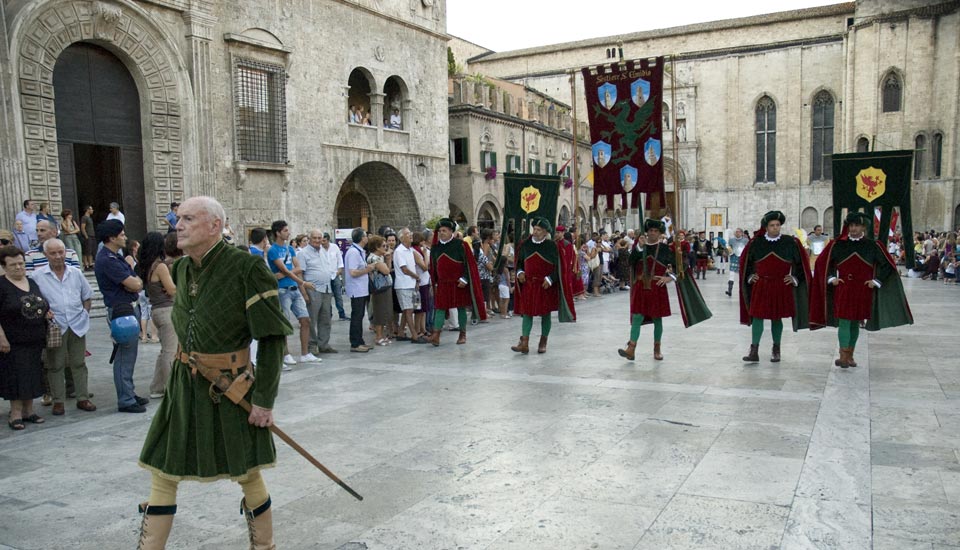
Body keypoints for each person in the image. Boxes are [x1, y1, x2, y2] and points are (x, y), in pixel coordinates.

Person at [136, 196, 292, 548]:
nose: (179, 225)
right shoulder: (178, 269)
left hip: (229, 386)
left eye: (189, 218)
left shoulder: (247, 268)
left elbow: (271, 340)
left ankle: (263, 547)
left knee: (248, 472)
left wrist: (263, 401)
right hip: (182, 385)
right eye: (179, 219)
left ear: (215, 226)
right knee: (163, 470)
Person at [810, 211, 913, 368]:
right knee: (844, 320)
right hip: (844, 288)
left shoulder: (872, 246)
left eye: (857, 225)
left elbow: (887, 266)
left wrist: (876, 281)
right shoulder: (838, 244)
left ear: (864, 227)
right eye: (851, 225)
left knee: (854, 322)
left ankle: (850, 356)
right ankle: (843, 356)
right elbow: (823, 263)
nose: (853, 228)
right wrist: (831, 278)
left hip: (863, 290)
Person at [33, 239, 96, 415]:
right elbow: (35, 301)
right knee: (55, 364)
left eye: (61, 252)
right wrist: (44, 314)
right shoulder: (38, 276)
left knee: (78, 363)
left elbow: (87, 296)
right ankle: (58, 401)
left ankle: (82, 397)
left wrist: (85, 313)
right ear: (46, 255)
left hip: (77, 324)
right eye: (53, 253)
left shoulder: (75, 273)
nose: (58, 256)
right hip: (55, 327)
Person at [738, 211, 812, 363]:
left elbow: (800, 263)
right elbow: (747, 262)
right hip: (761, 285)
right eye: (772, 225)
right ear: (766, 227)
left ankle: (776, 349)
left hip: (781, 285)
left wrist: (794, 277)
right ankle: (754, 350)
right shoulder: (756, 243)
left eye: (778, 225)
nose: (775, 228)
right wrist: (751, 276)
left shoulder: (790, 242)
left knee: (776, 318)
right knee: (757, 316)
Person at [94, 219, 148, 413]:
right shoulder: (107, 260)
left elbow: (134, 282)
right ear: (112, 237)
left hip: (127, 307)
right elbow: (134, 284)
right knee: (124, 355)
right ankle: (125, 398)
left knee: (130, 354)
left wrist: (135, 282)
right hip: (120, 310)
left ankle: (129, 392)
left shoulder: (115, 257)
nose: (125, 237)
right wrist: (135, 282)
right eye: (122, 234)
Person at [0, 246, 49, 430]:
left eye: (21, 263)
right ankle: (15, 414)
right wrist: (1, 337)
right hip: (13, 341)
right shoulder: (2, 285)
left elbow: (42, 303)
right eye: (13, 265)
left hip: (35, 338)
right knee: (16, 377)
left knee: (32, 375)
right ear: (4, 267)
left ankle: (29, 410)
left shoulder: (32, 282)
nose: (18, 267)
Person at [510, 217, 575, 354]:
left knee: (545, 314)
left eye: (539, 230)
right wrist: (520, 272)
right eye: (534, 229)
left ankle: (543, 341)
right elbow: (520, 262)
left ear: (545, 232)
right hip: (529, 284)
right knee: (527, 313)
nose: (535, 232)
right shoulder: (525, 244)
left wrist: (551, 279)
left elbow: (559, 268)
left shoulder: (552, 246)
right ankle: (525, 343)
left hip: (545, 286)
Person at [618, 219, 676, 361]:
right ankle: (631, 348)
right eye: (650, 231)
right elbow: (630, 262)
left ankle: (657, 349)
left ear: (659, 233)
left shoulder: (664, 249)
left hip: (657, 287)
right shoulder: (640, 246)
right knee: (637, 317)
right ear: (647, 232)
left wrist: (670, 278)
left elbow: (682, 267)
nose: (653, 233)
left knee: (657, 318)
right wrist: (638, 248)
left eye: (656, 231)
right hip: (641, 287)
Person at [268, 220, 319, 366]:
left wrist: (285, 274)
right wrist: (302, 282)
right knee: (284, 323)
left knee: (305, 320)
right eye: (285, 230)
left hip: (294, 288)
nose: (288, 232)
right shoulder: (273, 250)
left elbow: (298, 267)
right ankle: (285, 354)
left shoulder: (290, 249)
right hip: (282, 290)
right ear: (277, 233)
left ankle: (305, 353)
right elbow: (284, 268)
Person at [428, 219, 486, 346]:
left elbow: (468, 265)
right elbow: (433, 267)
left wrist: (465, 278)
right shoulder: (435, 248)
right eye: (440, 231)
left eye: (444, 230)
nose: (441, 233)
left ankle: (462, 334)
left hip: (458, 283)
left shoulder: (460, 245)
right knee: (440, 308)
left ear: (451, 232)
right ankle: (436, 334)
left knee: (461, 308)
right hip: (443, 283)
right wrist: (435, 283)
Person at [138, 232, 178, 399]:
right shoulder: (160, 266)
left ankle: (157, 387)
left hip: (156, 310)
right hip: (167, 310)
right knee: (171, 352)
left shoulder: (149, 266)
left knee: (164, 351)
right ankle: (172, 388)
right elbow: (172, 290)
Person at [298, 230, 338, 354]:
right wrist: (304, 292)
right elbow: (300, 274)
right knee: (311, 319)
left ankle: (324, 344)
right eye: (314, 238)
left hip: (326, 288)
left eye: (319, 238)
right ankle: (311, 346)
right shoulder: (303, 253)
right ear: (309, 239)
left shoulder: (323, 251)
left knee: (326, 318)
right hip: (313, 289)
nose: (317, 240)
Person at [394, 228, 427, 343]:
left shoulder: (409, 250)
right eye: (407, 234)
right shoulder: (399, 251)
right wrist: (416, 276)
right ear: (402, 238)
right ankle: (414, 335)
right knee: (408, 310)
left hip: (412, 283)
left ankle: (401, 332)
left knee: (410, 308)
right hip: (404, 284)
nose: (410, 235)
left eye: (410, 233)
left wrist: (416, 280)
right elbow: (404, 269)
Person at [344, 228, 374, 352]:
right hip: (356, 289)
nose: (367, 238)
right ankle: (355, 343)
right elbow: (353, 272)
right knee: (357, 315)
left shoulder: (359, 251)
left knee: (360, 315)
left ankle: (360, 340)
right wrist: (367, 269)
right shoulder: (353, 252)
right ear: (362, 238)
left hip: (362, 289)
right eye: (366, 236)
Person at [366, 235, 394, 346]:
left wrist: (388, 259)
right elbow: (386, 271)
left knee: (385, 311)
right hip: (379, 289)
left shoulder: (379, 257)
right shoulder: (374, 258)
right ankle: (378, 336)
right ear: (377, 247)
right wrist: (388, 259)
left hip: (385, 287)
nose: (385, 248)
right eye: (383, 246)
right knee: (380, 312)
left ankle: (382, 335)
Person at [726, 228, 749, 297]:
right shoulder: (731, 240)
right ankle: (729, 290)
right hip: (734, 258)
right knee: (731, 274)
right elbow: (728, 249)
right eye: (736, 232)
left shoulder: (746, 240)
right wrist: (728, 251)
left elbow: (748, 250)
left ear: (742, 233)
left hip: (742, 259)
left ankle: (743, 290)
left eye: (739, 232)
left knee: (742, 275)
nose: (737, 233)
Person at [80, 206, 96, 270]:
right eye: (91, 209)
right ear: (87, 210)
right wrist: (86, 236)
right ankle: (86, 264)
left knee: (91, 250)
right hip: (88, 236)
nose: (92, 210)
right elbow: (82, 227)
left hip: (92, 235)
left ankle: (91, 263)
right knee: (87, 251)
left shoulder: (90, 218)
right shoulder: (84, 218)